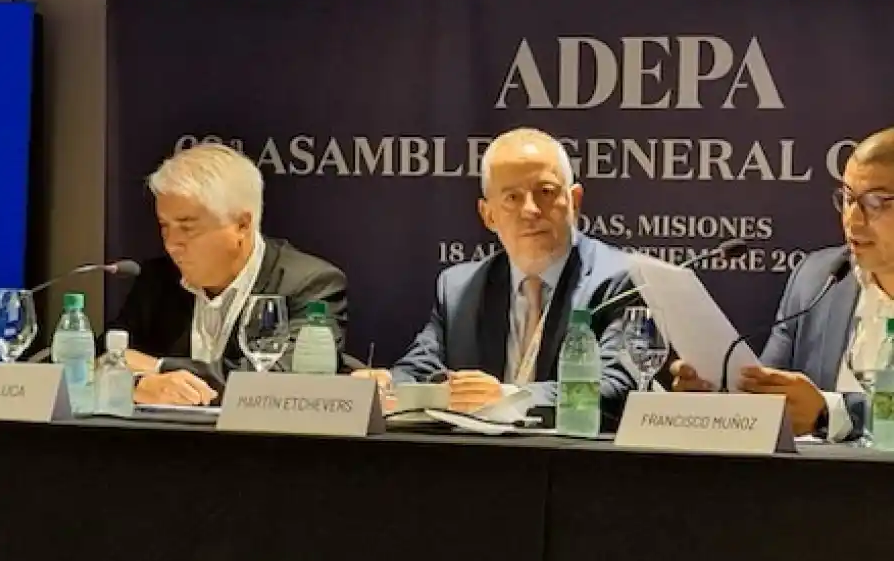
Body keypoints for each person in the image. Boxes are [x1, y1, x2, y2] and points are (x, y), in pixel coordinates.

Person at [354, 127, 637, 432]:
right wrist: (387, 384)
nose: (530, 210)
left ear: (574, 200)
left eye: (545, 191)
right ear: (487, 215)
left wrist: (506, 397)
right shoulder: (460, 288)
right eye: (512, 197)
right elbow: (421, 367)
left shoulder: (619, 281)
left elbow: (617, 389)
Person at [670, 127, 894, 439]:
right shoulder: (817, 278)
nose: (852, 220)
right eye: (846, 198)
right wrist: (716, 397)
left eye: (874, 203)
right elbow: (766, 398)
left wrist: (833, 414)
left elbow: (827, 413)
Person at [105, 142, 348, 406]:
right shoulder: (158, 279)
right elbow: (101, 358)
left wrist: (159, 367)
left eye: (187, 228)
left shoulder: (310, 284)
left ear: (242, 225)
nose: (171, 242)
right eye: (165, 226)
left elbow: (284, 378)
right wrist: (138, 384)